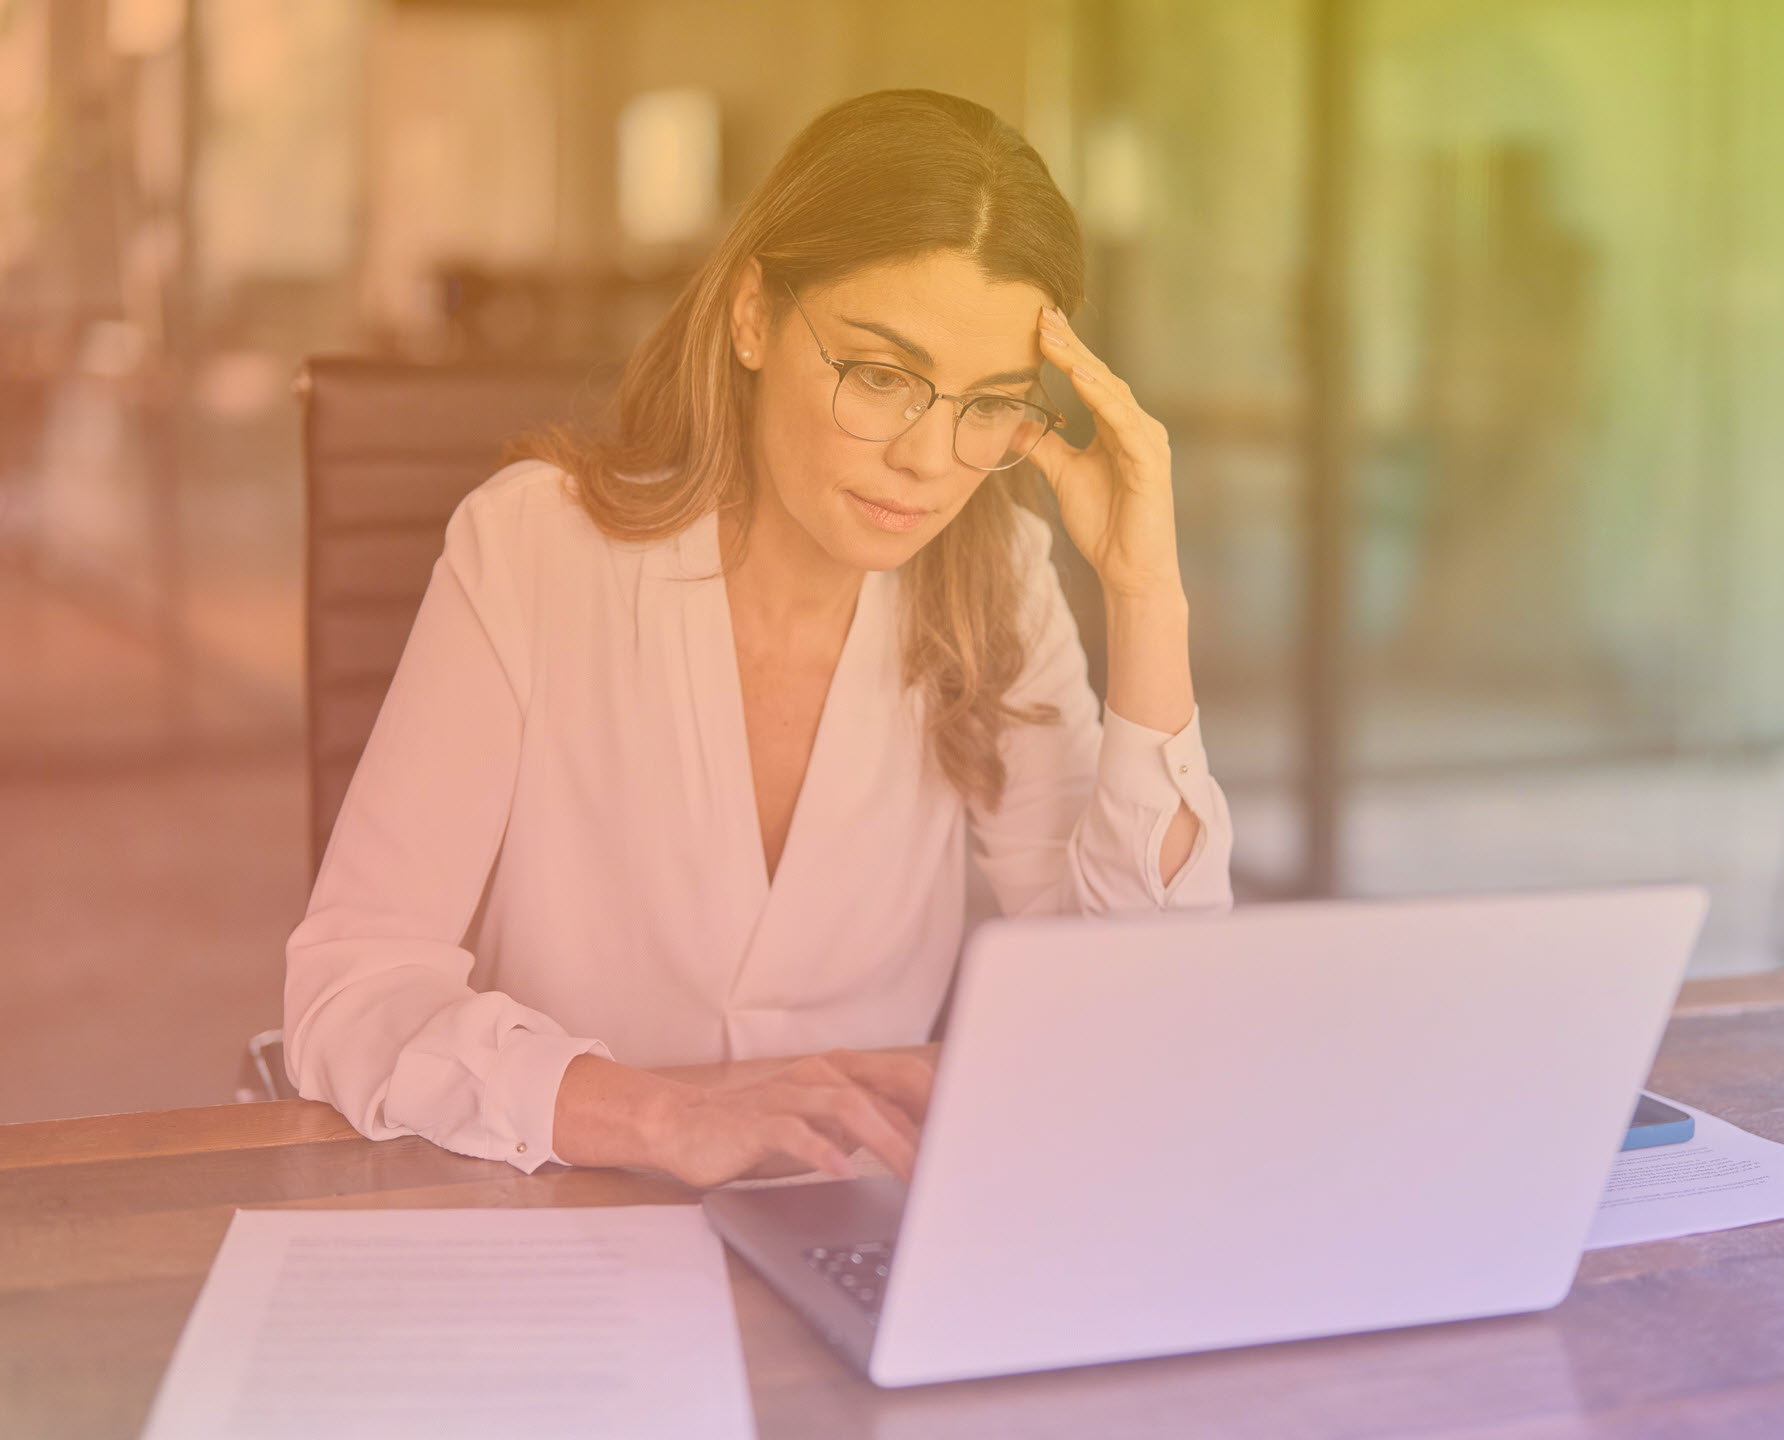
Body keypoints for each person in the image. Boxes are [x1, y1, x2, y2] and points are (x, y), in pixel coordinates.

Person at [283, 89, 1233, 1189]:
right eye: (881, 377)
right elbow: (351, 990)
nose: (929, 460)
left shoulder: (994, 578)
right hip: (554, 1203)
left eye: (986, 404)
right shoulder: (534, 546)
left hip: (848, 1207)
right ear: (750, 318)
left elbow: (1135, 1005)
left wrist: (1145, 595)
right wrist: (667, 1120)